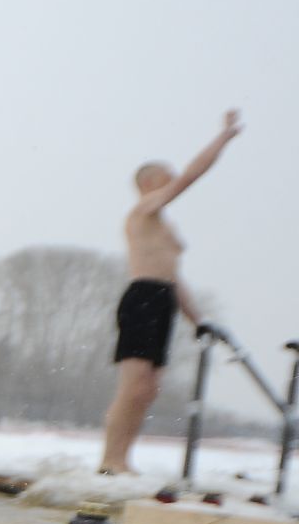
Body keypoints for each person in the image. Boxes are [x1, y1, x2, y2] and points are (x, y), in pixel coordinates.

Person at [100, 109, 243, 474]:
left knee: (148, 390)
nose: (175, 179)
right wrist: (223, 137)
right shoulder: (144, 210)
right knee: (133, 386)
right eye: (168, 176)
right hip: (142, 297)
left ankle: (122, 458)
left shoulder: (163, 227)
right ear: (150, 183)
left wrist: (199, 320)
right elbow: (194, 173)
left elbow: (174, 278)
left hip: (162, 299)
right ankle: (110, 460)